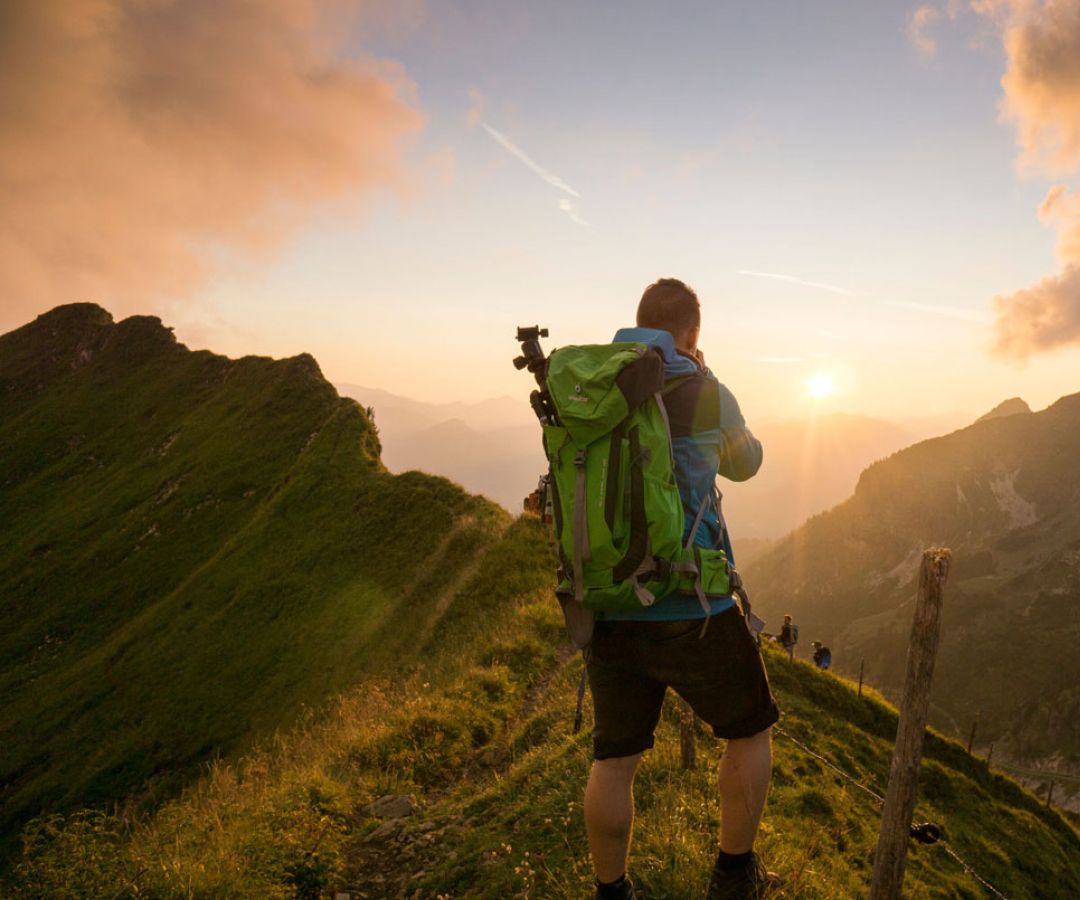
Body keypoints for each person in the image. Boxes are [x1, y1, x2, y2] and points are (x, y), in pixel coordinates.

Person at [583, 278, 781, 900]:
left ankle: (611, 891)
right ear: (691, 333)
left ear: (638, 323)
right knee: (750, 730)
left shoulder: (589, 385)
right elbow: (745, 463)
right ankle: (731, 875)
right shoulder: (702, 389)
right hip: (692, 602)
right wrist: (707, 378)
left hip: (609, 600)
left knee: (615, 757)